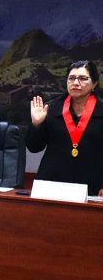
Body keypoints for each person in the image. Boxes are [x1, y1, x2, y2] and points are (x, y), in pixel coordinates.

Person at [27, 61, 103, 194]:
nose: (76, 82)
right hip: (52, 183)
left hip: (91, 185)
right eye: (71, 78)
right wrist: (36, 124)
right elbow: (34, 147)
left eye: (83, 78)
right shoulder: (51, 109)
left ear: (94, 84)